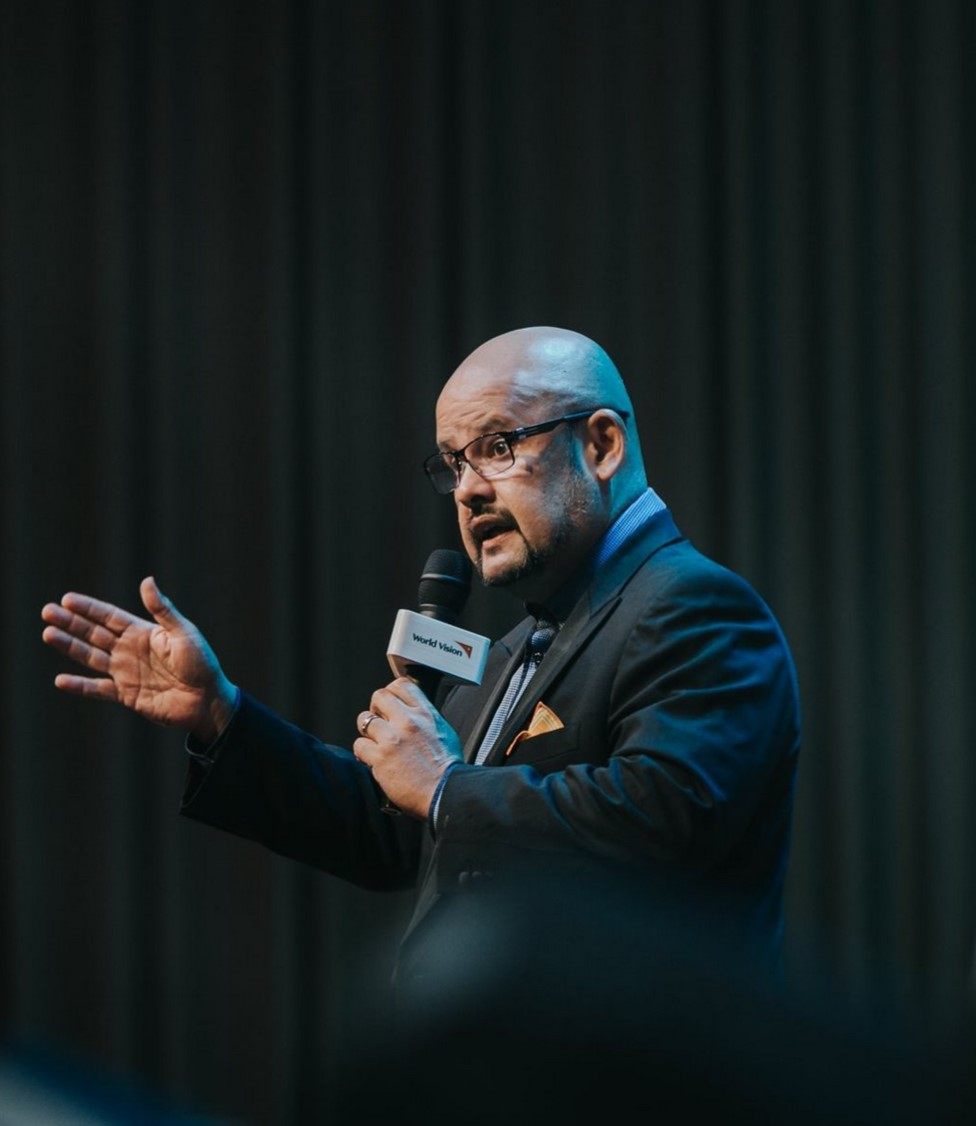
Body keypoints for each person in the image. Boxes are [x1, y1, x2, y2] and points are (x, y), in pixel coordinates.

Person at [40, 326, 801, 1008]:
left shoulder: (693, 605)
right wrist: (222, 716)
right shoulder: (520, 646)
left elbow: (661, 820)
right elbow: (396, 831)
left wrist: (446, 788)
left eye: (499, 447)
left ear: (600, 445)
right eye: (451, 464)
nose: (468, 490)